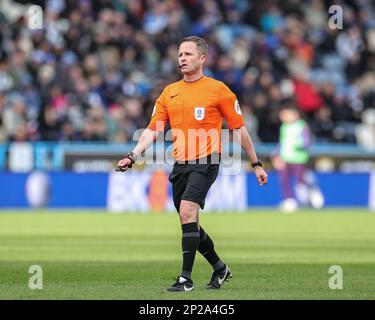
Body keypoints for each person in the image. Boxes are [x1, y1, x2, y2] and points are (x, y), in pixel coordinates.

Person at [116, 36, 268, 292]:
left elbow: (239, 129)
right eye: (179, 55)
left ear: (202, 58)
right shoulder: (169, 92)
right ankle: (220, 269)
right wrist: (132, 155)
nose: (182, 59)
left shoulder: (218, 90)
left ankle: (185, 279)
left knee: (187, 211)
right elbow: (152, 130)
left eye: (187, 54)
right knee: (190, 223)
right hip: (180, 164)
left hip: (206, 161)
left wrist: (256, 164)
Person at [271, 104, 324, 212]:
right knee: (284, 180)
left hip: (299, 159)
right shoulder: (284, 127)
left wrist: (297, 145)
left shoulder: (301, 125)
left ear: (294, 115)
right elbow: (282, 142)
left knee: (300, 181)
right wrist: (276, 154)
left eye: (286, 115)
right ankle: (289, 201)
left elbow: (307, 141)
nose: (283, 117)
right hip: (285, 158)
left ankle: (313, 192)